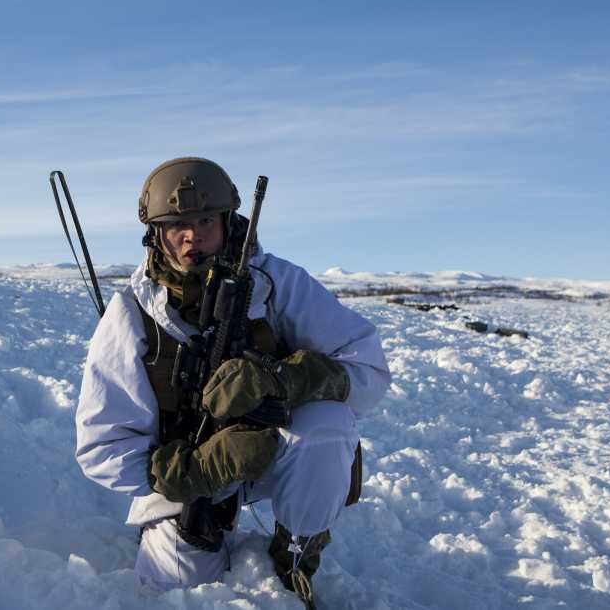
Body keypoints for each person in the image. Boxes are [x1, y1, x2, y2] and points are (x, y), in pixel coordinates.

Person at [74, 157, 390, 608]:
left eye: (204, 221)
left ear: (227, 221)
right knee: (177, 593)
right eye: (176, 224)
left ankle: (294, 560)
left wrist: (280, 380)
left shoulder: (276, 283)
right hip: (185, 480)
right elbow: (100, 448)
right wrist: (195, 471)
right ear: (156, 233)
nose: (192, 235)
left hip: (276, 453)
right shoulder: (131, 314)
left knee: (328, 423)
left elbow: (368, 369)